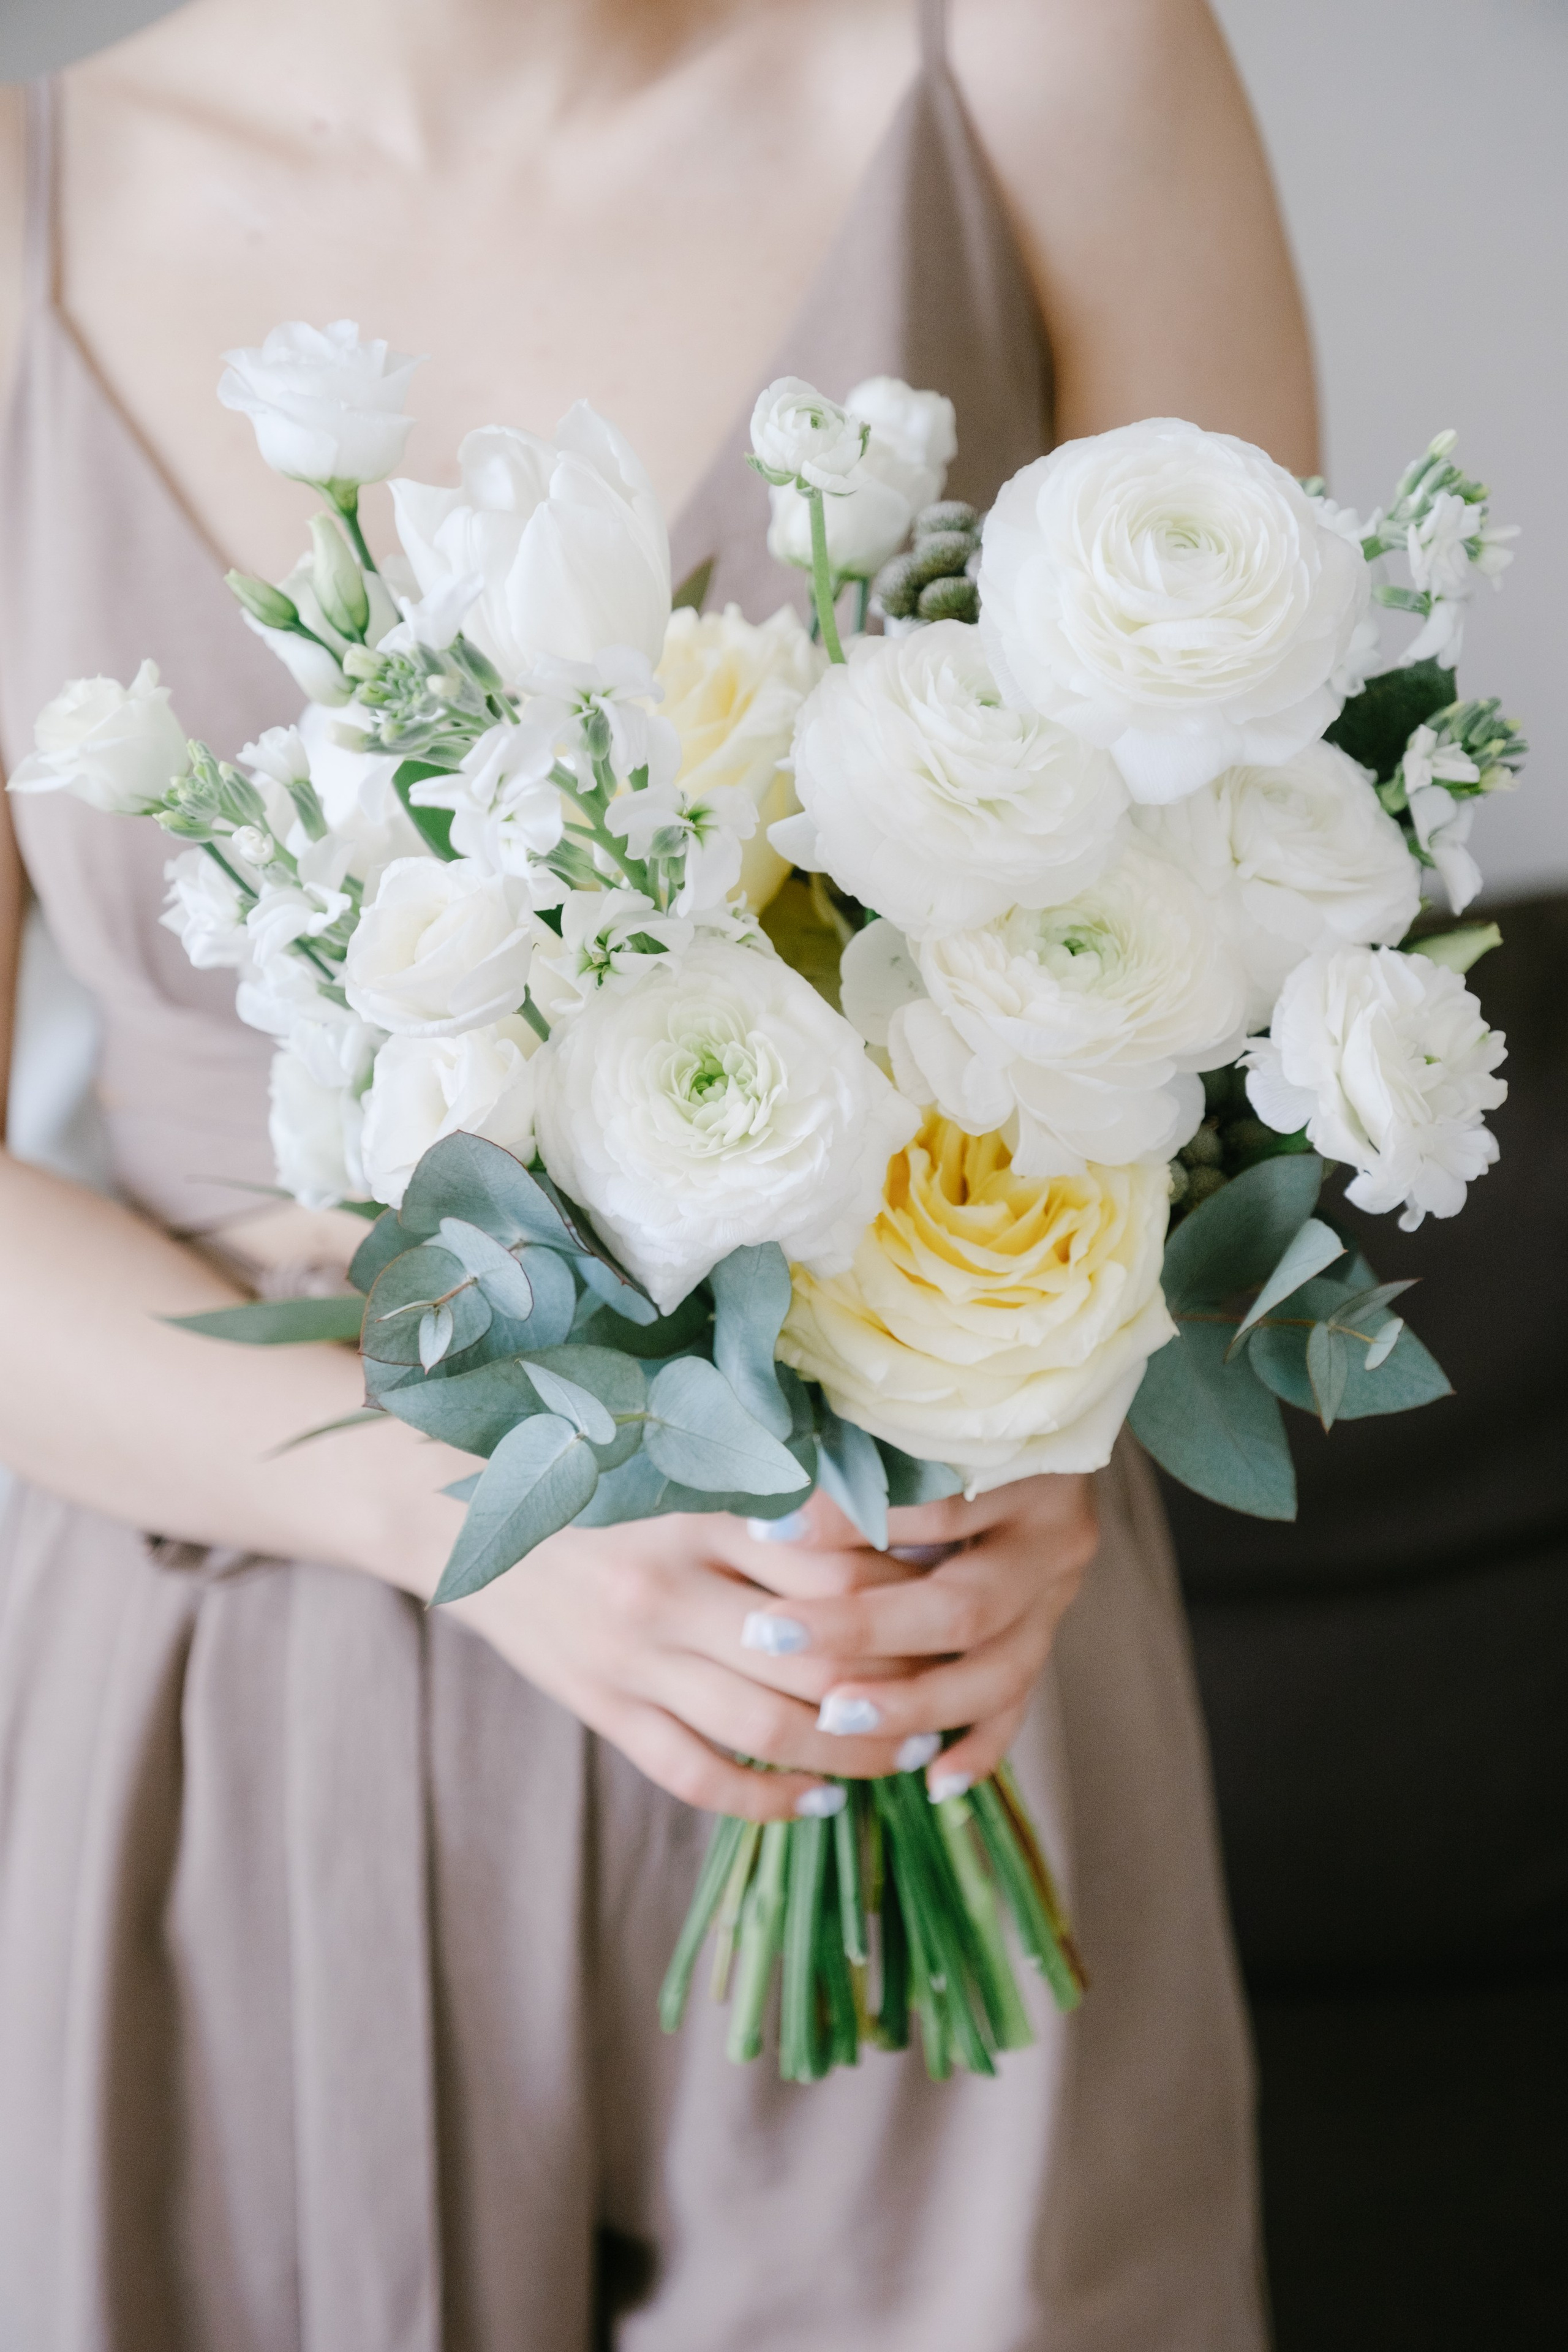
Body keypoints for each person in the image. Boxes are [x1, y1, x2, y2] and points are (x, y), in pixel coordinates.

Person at [0, 2, 1316, 2343]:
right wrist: (451, 1511)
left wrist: (1067, 1403)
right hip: (239, 1710)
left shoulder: (1048, 59)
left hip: (904, 1655)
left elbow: (1270, 916)